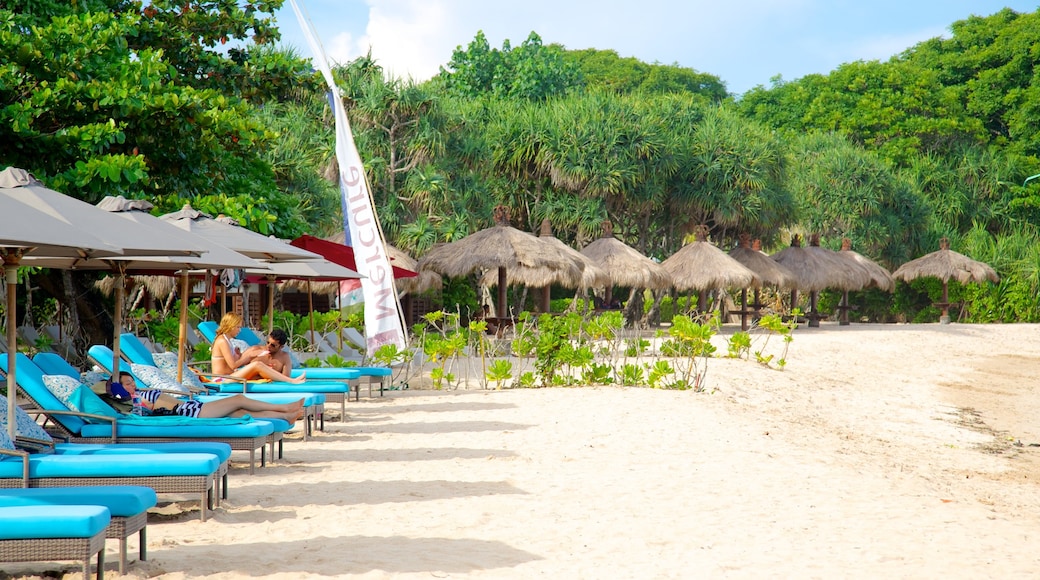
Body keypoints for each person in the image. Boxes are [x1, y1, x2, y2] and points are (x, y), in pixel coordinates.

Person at [118, 372, 304, 421]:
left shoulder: (140, 392)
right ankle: (285, 408)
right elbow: (147, 412)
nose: (132, 385)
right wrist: (141, 402)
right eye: (127, 383)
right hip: (189, 412)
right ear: (119, 388)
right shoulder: (135, 401)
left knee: (241, 411)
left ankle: (285, 416)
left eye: (132, 381)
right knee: (238, 399)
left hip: (191, 406)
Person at [210, 313, 307, 383]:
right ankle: (292, 381)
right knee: (257, 364)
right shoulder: (222, 341)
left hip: (228, 376)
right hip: (221, 379)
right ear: (231, 327)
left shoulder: (226, 340)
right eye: (238, 327)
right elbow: (233, 366)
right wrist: (251, 355)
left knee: (258, 367)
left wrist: (238, 355)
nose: (239, 330)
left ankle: (290, 380)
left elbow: (229, 364)